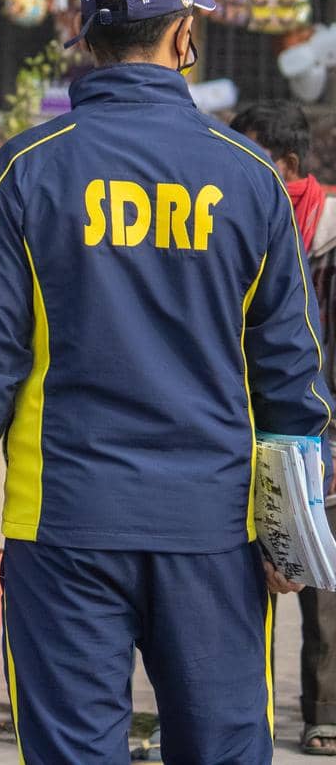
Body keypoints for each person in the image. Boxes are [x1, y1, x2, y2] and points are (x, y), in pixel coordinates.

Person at [0, 0, 332, 763]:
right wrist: (292, 532)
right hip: (214, 532)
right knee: (221, 748)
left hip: (65, 523)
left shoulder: (27, 170)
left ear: (87, 35)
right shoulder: (249, 176)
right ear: (183, 37)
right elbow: (291, 370)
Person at [231, 100, 336, 757]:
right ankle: (246, 708)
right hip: (251, 422)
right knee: (250, 573)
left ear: (285, 164)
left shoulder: (326, 234)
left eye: (250, 153)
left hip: (324, 426)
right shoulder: (248, 227)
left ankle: (325, 708)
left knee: (322, 579)